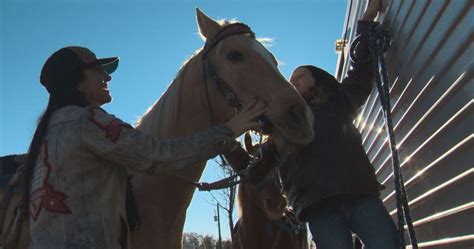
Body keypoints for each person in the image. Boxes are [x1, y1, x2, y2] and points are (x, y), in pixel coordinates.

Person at [21, 46, 268, 249]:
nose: (107, 77)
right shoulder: (89, 122)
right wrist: (230, 129)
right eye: (97, 71)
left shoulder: (48, 131)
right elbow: (159, 156)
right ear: (77, 81)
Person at [280, 1, 400, 248]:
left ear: (317, 79)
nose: (294, 82)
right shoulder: (285, 125)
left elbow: (361, 70)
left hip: (358, 193)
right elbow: (263, 164)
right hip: (318, 206)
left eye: (300, 76)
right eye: (291, 80)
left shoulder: (339, 102)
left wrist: (367, 18)